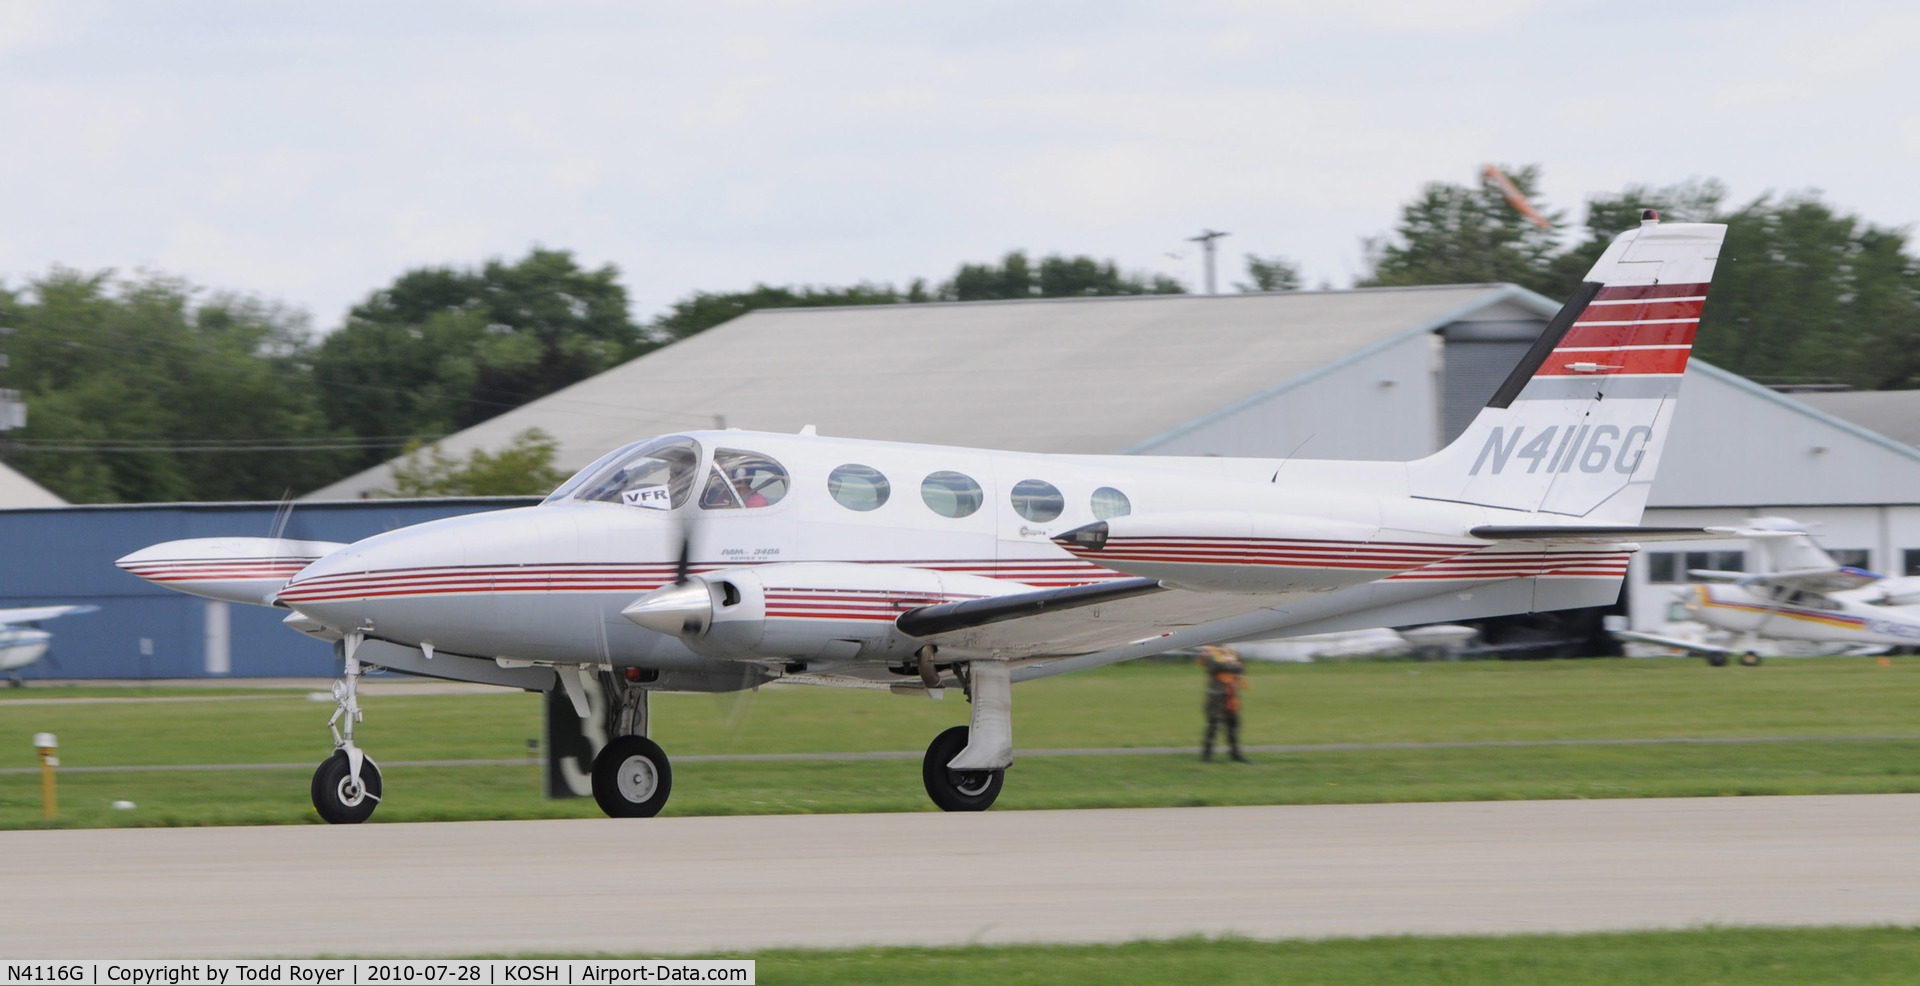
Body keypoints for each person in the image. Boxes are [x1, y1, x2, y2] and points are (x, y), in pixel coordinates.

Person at [1198, 645, 1247, 762]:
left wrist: (1227, 667)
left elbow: (1242, 668)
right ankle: (1206, 756)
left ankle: (1235, 754)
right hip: (1216, 695)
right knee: (1213, 724)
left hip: (1231, 695)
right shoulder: (1209, 652)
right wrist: (1232, 666)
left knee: (1233, 725)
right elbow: (1213, 667)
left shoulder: (1232, 651)